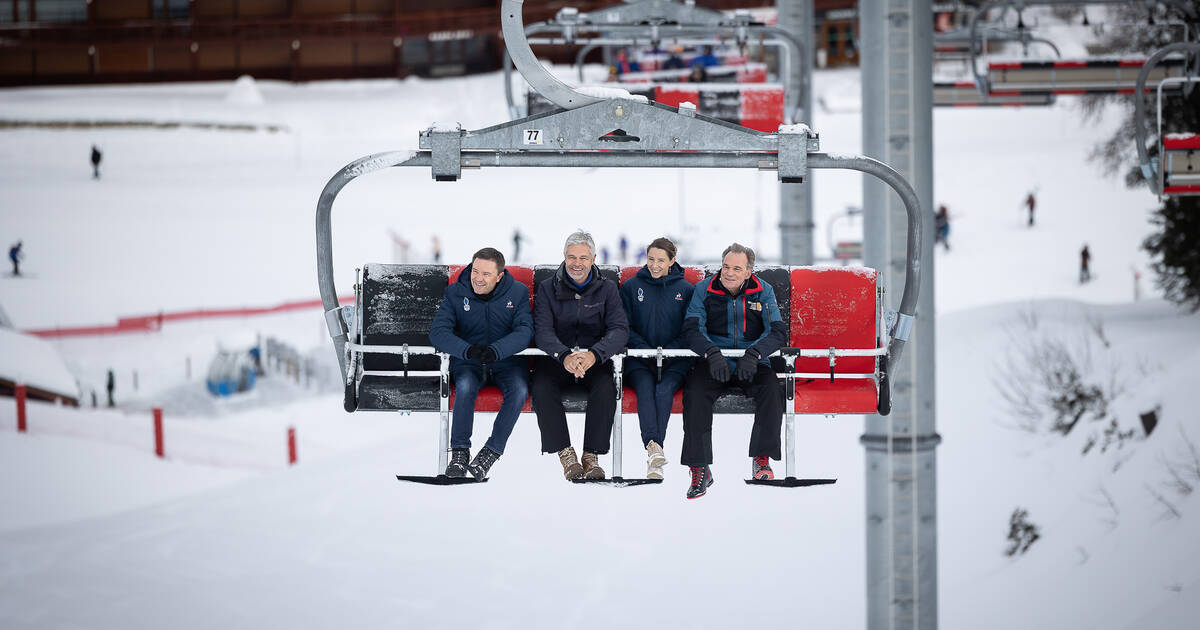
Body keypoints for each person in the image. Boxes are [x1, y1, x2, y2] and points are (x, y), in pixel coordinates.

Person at [681, 242, 787, 499]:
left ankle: (761, 459)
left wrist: (755, 354)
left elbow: (777, 331)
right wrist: (711, 352)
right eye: (725, 266)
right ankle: (699, 467)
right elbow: (692, 328)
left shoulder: (764, 291)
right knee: (695, 394)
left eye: (736, 268)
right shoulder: (703, 290)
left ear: (749, 272)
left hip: (751, 363)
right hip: (714, 362)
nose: (728, 273)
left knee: (772, 390)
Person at [532, 230, 629, 480]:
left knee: (606, 387)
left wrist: (594, 355)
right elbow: (542, 330)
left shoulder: (607, 289)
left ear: (594, 258)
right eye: (571, 257)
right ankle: (565, 452)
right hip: (556, 360)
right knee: (541, 387)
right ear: (564, 257)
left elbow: (619, 329)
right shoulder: (547, 288)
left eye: (583, 258)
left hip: (594, 359)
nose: (577, 263)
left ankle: (591, 455)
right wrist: (563, 355)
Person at [429, 247, 533, 480]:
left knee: (519, 390)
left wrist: (498, 350)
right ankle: (459, 452)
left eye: (486, 274)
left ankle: (491, 451)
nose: (478, 278)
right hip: (469, 362)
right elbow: (438, 332)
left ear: (499, 276)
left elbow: (525, 331)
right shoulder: (456, 292)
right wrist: (466, 350)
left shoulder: (517, 293)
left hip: (507, 363)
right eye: (475, 271)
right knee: (465, 387)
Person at [620, 237, 695, 479]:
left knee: (664, 391)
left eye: (661, 260)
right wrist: (646, 351)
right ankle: (654, 449)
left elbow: (690, 329)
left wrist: (669, 352)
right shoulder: (632, 287)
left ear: (672, 261)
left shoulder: (686, 290)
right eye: (651, 259)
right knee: (645, 387)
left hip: (675, 360)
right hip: (640, 359)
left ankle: (654, 451)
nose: (654, 265)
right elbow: (624, 326)